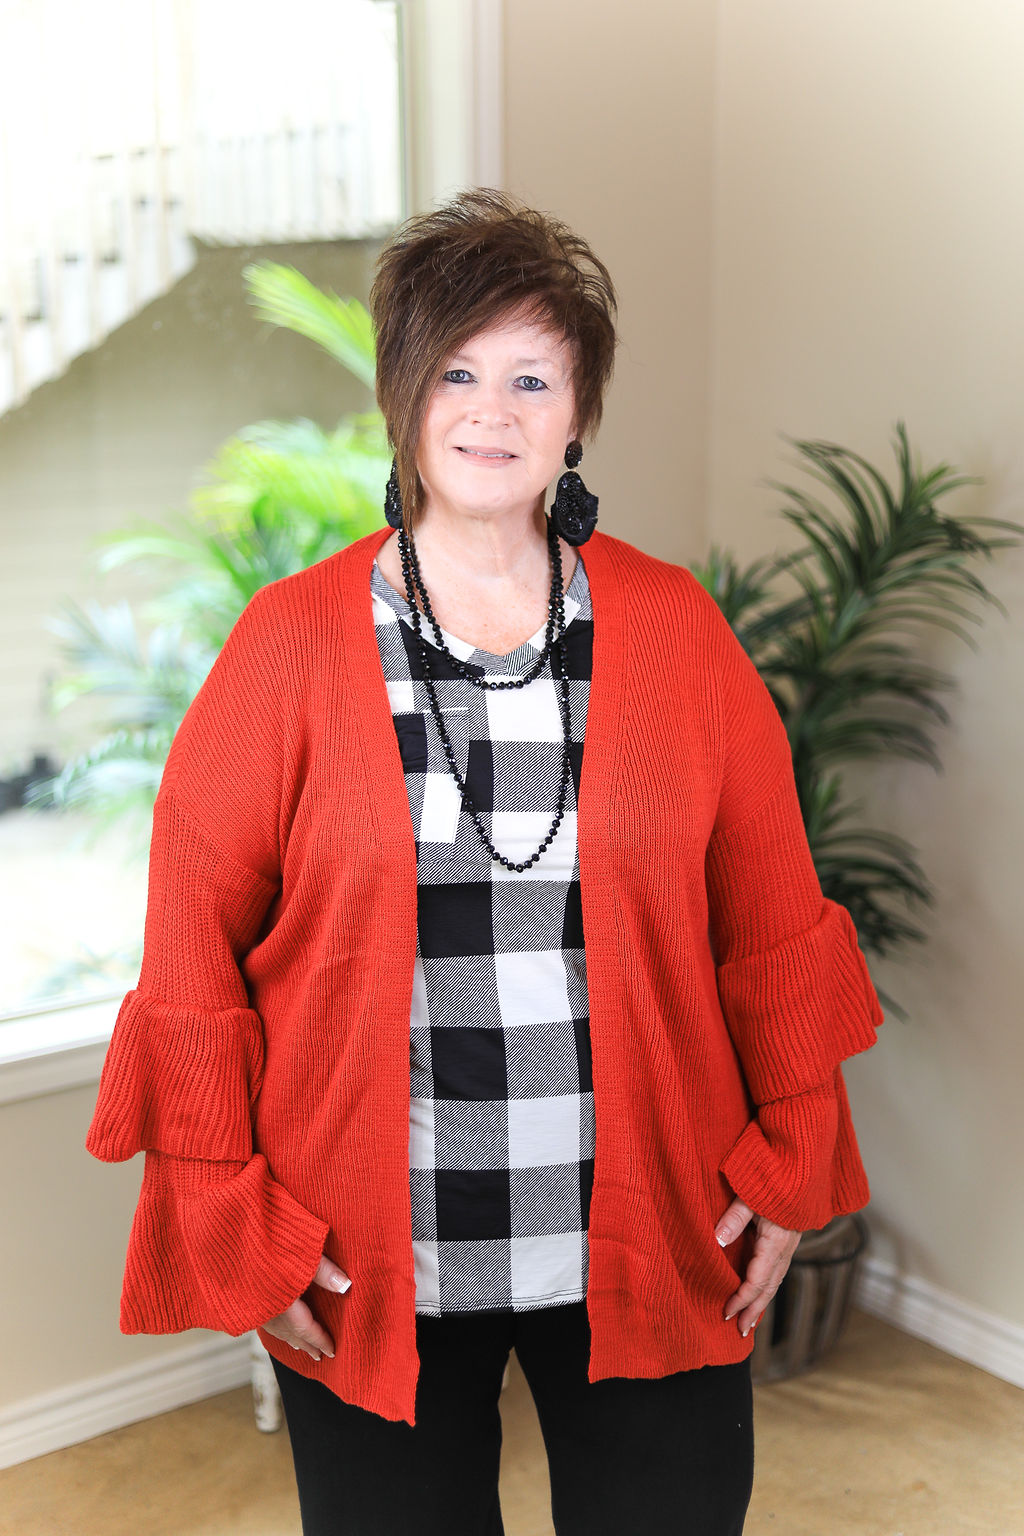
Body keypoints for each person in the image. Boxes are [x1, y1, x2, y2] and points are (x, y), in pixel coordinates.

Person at [85, 188, 883, 1536]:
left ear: (578, 414)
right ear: (403, 398)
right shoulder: (288, 643)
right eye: (456, 373)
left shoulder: (676, 631)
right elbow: (191, 945)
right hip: (367, 1242)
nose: (491, 411)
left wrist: (797, 1149)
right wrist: (227, 1206)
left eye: (531, 377)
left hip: (650, 1225)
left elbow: (769, 917)